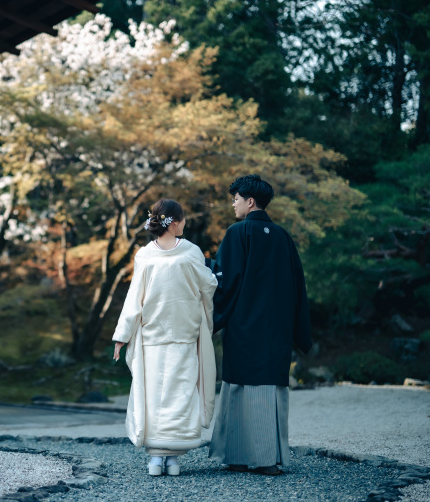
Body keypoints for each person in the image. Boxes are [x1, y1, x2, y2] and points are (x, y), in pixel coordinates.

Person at [209, 174, 313, 476]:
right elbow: (298, 287)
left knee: (240, 388)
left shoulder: (237, 233)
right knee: (270, 388)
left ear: (250, 201)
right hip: (277, 329)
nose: (233, 204)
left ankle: (238, 456)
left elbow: (224, 282)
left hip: (243, 326)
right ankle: (268, 459)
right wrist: (300, 332)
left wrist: (210, 320)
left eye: (236, 199)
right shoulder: (283, 237)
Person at [112, 199, 218, 476]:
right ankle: (171, 460)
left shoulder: (145, 255)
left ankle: (157, 459)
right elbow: (208, 286)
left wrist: (123, 335)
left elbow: (134, 299)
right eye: (183, 220)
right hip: (183, 334)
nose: (185, 224)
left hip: (153, 335)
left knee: (154, 396)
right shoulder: (191, 252)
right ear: (175, 222)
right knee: (181, 394)